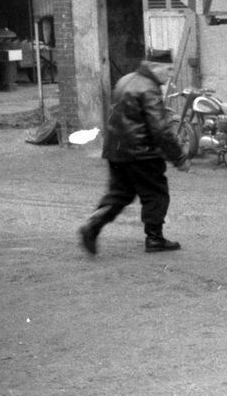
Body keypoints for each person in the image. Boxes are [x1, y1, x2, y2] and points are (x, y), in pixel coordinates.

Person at [78, 48, 191, 254]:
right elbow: (160, 129)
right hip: (142, 152)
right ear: (154, 67)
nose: (170, 74)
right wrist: (179, 158)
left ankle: (93, 224)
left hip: (116, 150)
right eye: (168, 69)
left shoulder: (126, 79)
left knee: (120, 194)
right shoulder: (149, 88)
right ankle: (155, 238)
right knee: (156, 193)